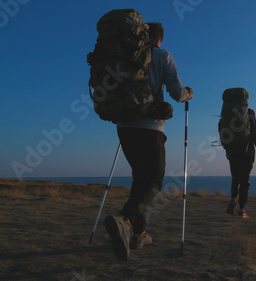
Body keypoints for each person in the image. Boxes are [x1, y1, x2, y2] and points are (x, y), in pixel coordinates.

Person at [104, 22, 193, 262]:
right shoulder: (162, 55)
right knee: (154, 180)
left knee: (141, 179)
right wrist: (189, 93)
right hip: (150, 128)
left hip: (123, 127)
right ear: (159, 39)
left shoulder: (124, 58)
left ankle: (139, 234)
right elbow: (176, 93)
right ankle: (125, 220)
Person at [225, 108, 256, 218]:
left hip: (232, 150)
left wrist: (227, 149)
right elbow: (254, 131)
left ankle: (233, 199)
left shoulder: (229, 112)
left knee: (235, 177)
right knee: (244, 180)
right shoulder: (250, 112)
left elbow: (222, 130)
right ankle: (242, 209)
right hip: (247, 150)